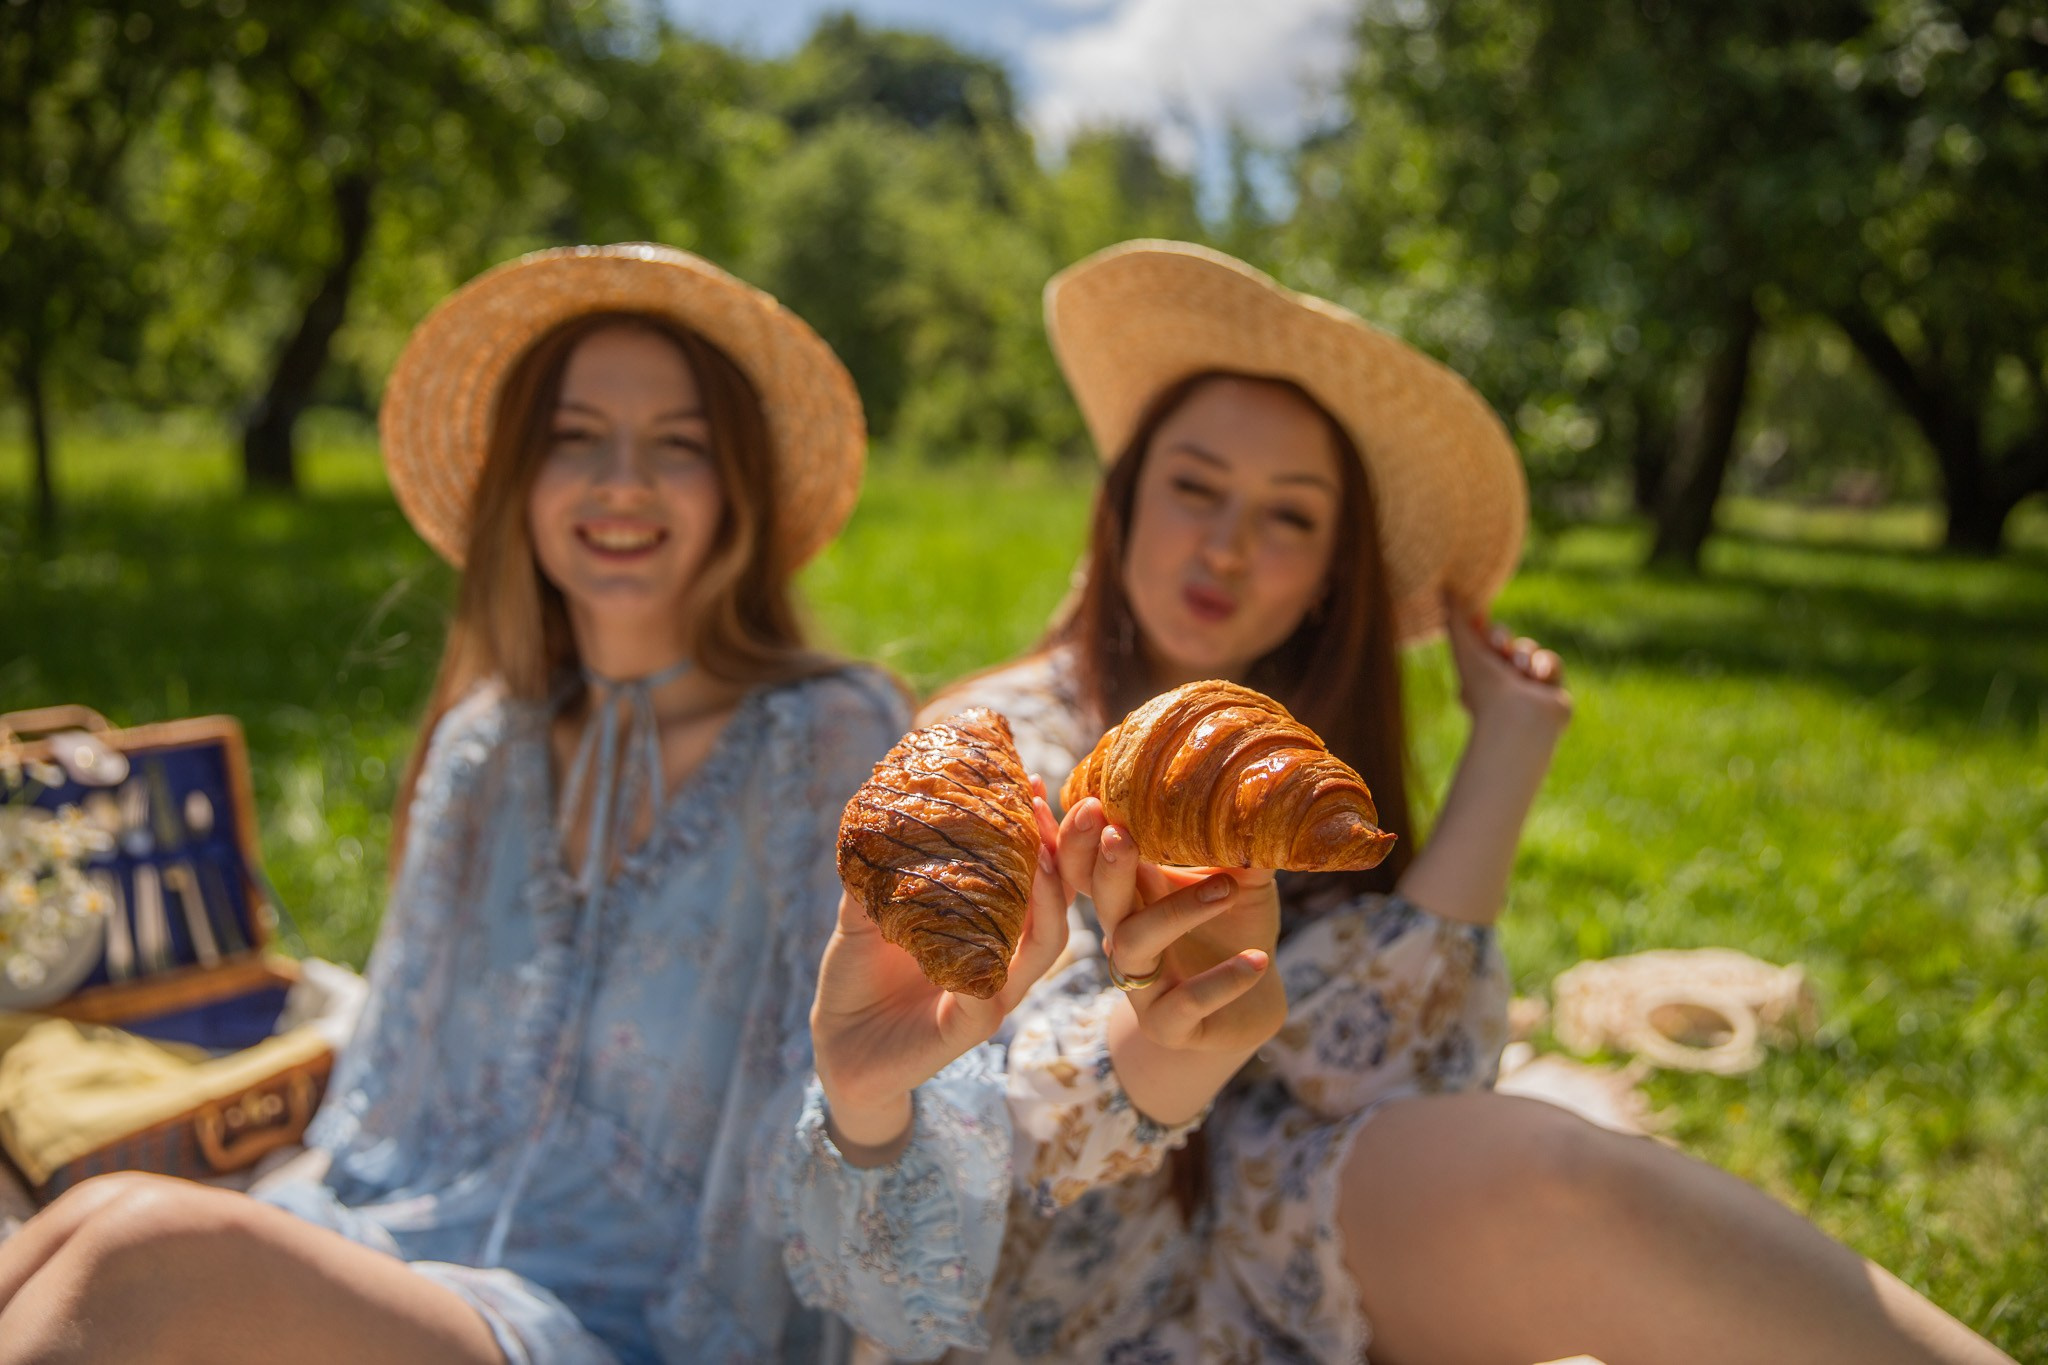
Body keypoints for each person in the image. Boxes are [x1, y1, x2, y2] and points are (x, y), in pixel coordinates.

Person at [775, 241, 2016, 1365]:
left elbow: (1394, 1077)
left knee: (1556, 1176)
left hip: (1285, 1241)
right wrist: (1153, 1053)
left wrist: (1507, 750)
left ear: (1332, 572)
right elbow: (946, 1147)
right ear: (1123, 501)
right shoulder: (999, 749)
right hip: (1060, 1310)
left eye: (1288, 518)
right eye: (1194, 488)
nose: (1225, 547)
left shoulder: (1288, 772)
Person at [0, 243, 1065, 1365]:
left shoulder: (825, 738)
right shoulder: (486, 745)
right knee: (89, 1215)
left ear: (735, 485)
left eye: (678, 446)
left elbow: (897, 1234)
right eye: (574, 437)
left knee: (144, 1247)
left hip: (628, 1327)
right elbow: (377, 1104)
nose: (622, 481)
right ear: (522, 475)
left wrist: (867, 1103)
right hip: (395, 1251)